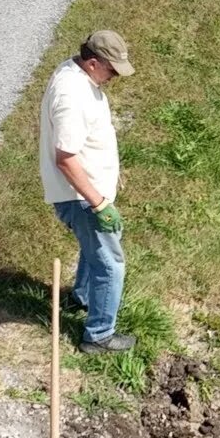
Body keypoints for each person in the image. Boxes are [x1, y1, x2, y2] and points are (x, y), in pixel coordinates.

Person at [39, 31, 136, 354]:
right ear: (93, 63)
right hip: (81, 197)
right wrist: (98, 202)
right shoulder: (72, 96)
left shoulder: (76, 74)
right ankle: (99, 336)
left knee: (92, 249)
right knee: (111, 264)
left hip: (89, 192)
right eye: (111, 71)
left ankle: (81, 297)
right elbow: (66, 158)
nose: (114, 78)